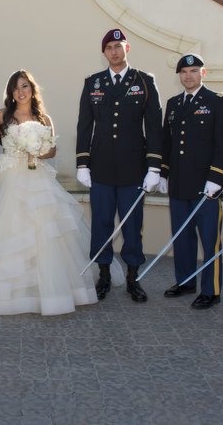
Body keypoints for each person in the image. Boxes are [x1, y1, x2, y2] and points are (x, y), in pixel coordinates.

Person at [0, 70, 100, 315]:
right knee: (11, 227)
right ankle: (6, 293)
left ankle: (45, 290)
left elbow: (52, 151)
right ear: (11, 92)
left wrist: (36, 151)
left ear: (32, 89)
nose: (20, 91)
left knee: (43, 230)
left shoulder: (43, 118)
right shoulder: (2, 116)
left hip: (37, 177)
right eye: (15, 87)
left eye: (25, 86)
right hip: (10, 178)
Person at [76, 28, 162, 303]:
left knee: (132, 226)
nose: (114, 51)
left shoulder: (145, 81)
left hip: (133, 169)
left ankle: (133, 278)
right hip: (100, 168)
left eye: (118, 45)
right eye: (109, 47)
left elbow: (154, 128)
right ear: (104, 53)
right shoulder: (94, 83)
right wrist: (82, 163)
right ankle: (102, 276)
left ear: (128, 48)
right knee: (101, 223)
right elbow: (84, 125)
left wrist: (154, 168)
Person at [159, 54, 223, 309]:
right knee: (182, 237)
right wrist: (164, 173)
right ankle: (186, 281)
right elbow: (168, 142)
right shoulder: (173, 104)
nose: (188, 76)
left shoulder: (218, 101)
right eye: (184, 71)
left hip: (206, 186)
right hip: (179, 183)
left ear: (203, 73)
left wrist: (217, 179)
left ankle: (211, 289)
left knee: (209, 239)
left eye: (193, 70)